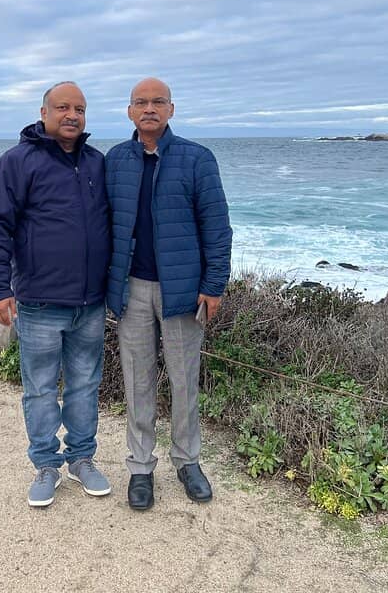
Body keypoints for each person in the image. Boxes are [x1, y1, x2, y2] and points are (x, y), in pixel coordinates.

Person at [0, 81, 112, 508]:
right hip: (38, 301)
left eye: (80, 109)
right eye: (63, 107)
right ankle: (45, 465)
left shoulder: (96, 163)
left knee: (85, 385)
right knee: (39, 388)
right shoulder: (17, 162)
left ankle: (82, 458)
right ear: (44, 112)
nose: (72, 115)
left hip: (91, 302)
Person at [105, 77, 232, 511]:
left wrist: (213, 285)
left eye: (158, 102)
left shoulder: (197, 159)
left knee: (184, 382)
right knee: (137, 382)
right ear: (129, 111)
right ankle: (141, 468)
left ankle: (188, 461)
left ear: (172, 109)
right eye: (141, 102)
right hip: (132, 291)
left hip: (182, 293)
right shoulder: (115, 160)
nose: (149, 109)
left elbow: (217, 227)